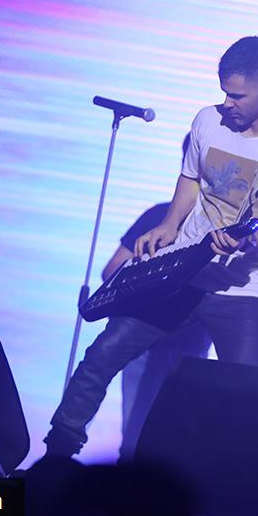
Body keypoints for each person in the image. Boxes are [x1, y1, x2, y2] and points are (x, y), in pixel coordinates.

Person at [45, 36, 258, 458]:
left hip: (241, 291)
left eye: (237, 96)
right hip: (180, 272)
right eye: (224, 92)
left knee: (249, 397)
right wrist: (169, 224)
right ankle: (57, 452)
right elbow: (189, 180)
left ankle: (231, 484)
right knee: (103, 353)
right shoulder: (207, 121)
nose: (227, 103)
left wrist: (247, 238)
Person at [105, 135, 212, 460]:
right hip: (143, 341)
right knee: (133, 438)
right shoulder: (158, 216)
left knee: (174, 440)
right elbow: (111, 271)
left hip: (189, 348)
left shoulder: (222, 229)